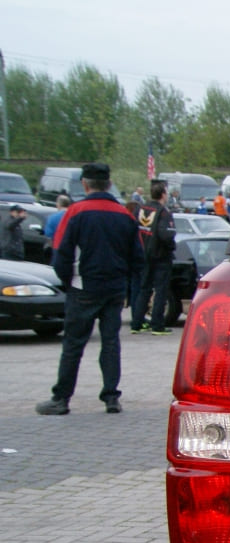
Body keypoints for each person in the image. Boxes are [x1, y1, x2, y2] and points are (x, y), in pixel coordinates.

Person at [35, 163, 143, 416]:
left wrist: (68, 281)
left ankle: (61, 398)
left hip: (83, 286)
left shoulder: (75, 212)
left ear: (85, 184)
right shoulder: (124, 215)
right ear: (109, 184)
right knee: (110, 343)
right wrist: (125, 284)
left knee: (73, 345)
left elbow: (60, 253)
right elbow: (138, 258)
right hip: (114, 288)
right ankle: (111, 397)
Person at [130, 180, 177, 335]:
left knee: (144, 289)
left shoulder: (141, 209)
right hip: (160, 256)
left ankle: (136, 323)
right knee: (160, 290)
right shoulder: (163, 213)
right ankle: (157, 324)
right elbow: (166, 235)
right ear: (163, 194)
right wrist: (171, 247)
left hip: (142, 255)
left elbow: (134, 229)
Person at [42, 195, 71, 265]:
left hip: (58, 248)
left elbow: (49, 236)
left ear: (58, 204)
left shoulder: (52, 218)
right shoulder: (75, 216)